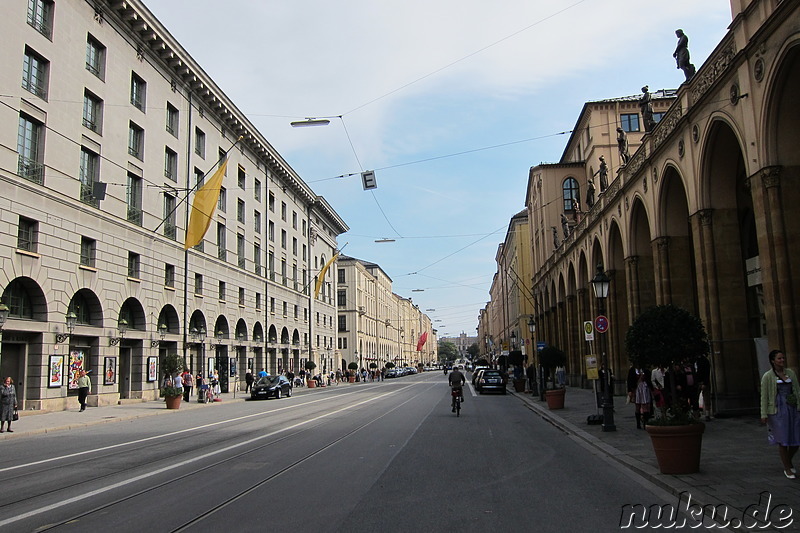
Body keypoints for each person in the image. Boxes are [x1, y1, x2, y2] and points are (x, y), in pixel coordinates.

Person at [759, 349, 800, 479]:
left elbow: (797, 390)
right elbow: (764, 396)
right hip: (777, 410)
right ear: (773, 361)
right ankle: (787, 468)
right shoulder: (768, 376)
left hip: (792, 408)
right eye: (779, 358)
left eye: (783, 358)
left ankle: (787, 460)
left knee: (796, 439)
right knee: (783, 439)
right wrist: (763, 414)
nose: (782, 360)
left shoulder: (790, 373)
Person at [694, 353, 712, 420]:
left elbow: (706, 372)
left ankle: (707, 414)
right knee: (695, 398)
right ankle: (697, 413)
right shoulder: (694, 360)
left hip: (703, 381)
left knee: (706, 398)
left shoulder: (704, 360)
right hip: (697, 382)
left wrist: (705, 383)